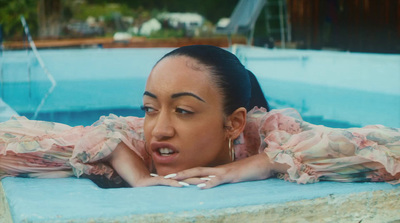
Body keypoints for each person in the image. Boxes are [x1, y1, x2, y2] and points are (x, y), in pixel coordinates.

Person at [0, 45, 399, 189]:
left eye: (184, 110)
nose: (160, 127)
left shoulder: (269, 135)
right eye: (150, 108)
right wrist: (130, 167)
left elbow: (390, 148)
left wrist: (259, 165)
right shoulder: (130, 141)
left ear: (234, 123)